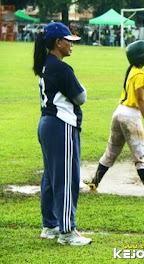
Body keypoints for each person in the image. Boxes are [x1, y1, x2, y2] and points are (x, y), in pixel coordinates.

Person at [33, 22, 91, 245]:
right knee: (66, 178)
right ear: (58, 42)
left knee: (51, 177)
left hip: (47, 123)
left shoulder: (47, 64)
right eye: (69, 40)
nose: (72, 45)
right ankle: (66, 232)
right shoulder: (61, 68)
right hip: (61, 125)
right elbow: (80, 97)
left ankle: (50, 225)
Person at [83, 40, 144, 193]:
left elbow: (143, 99)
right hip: (131, 117)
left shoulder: (132, 70)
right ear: (139, 57)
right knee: (140, 153)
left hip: (119, 112)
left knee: (111, 151)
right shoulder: (139, 74)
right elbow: (140, 100)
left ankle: (95, 181)